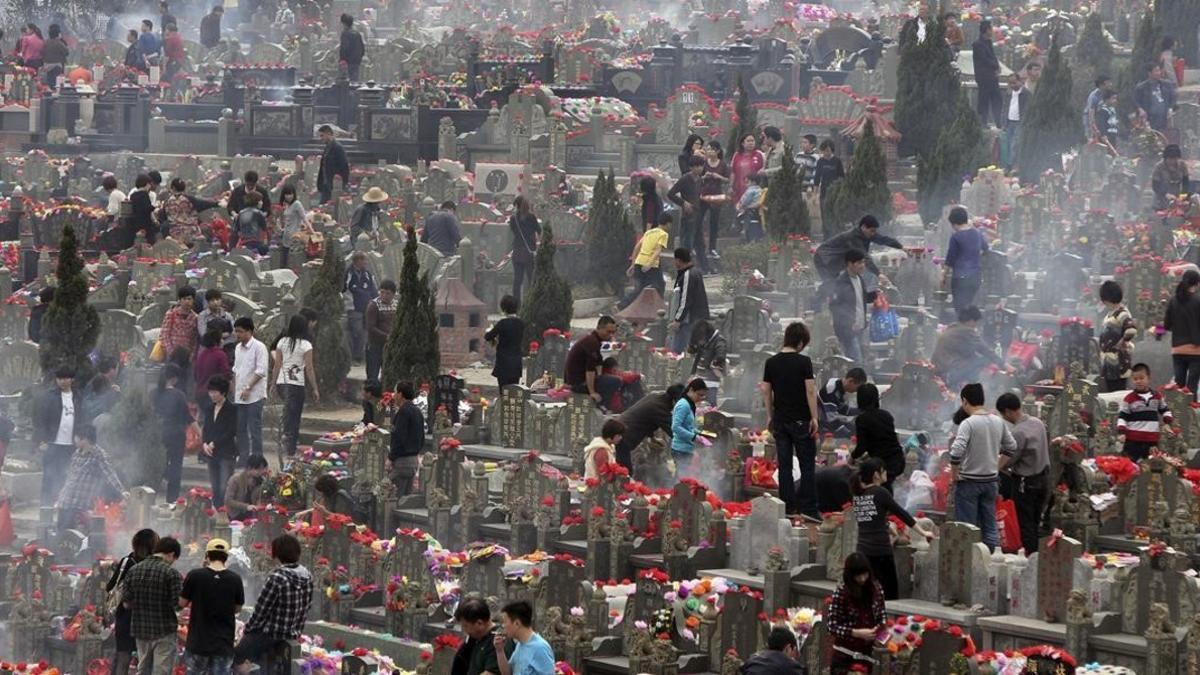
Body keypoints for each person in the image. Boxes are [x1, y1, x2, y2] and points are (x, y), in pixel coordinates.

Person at [762, 322, 820, 519]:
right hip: (801, 420)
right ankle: (808, 508)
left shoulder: (771, 362)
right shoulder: (804, 362)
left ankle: (787, 507)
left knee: (784, 465)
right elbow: (810, 390)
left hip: (780, 420)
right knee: (807, 465)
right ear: (801, 342)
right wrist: (814, 417)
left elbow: (766, 390)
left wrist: (770, 415)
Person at [949, 383, 1015, 551]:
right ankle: (991, 559)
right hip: (991, 481)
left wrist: (954, 474)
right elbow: (1011, 446)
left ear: (964, 401)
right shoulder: (997, 421)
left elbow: (956, 451)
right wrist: (997, 466)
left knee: (967, 528)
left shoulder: (969, 423)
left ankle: (970, 560)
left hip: (969, 482)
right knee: (990, 525)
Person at [852, 458, 932, 599]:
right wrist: (924, 532)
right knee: (888, 594)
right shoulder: (880, 492)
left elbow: (871, 518)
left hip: (863, 551)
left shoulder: (858, 495)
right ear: (876, 474)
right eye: (883, 470)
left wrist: (887, 526)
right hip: (880, 551)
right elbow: (902, 514)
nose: (886, 473)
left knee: (867, 594)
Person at [233, 535, 313, 668]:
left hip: (270, 633)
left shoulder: (277, 577)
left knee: (235, 657)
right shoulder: (307, 576)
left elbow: (261, 610)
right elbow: (307, 606)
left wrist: (248, 629)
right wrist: (297, 631)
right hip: (292, 632)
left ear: (277, 554)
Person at [180, 538, 244, 675]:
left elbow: (182, 603)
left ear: (207, 555)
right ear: (226, 557)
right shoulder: (235, 579)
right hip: (223, 643)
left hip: (198, 642)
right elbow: (237, 609)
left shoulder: (195, 575)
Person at [995, 393, 1049, 554]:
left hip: (1026, 482)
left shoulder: (1018, 432)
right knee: (1035, 520)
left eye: (1004, 415)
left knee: (1025, 523)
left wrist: (996, 467)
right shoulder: (1038, 423)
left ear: (1008, 411)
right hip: (1043, 479)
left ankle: (1029, 557)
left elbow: (1009, 458)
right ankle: (1038, 555)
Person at [123, 537, 182, 675]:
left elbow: (126, 603)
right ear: (171, 554)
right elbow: (177, 605)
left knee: (142, 668)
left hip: (141, 630)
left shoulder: (134, 570)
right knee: (161, 670)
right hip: (164, 630)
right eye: (174, 559)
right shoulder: (171, 573)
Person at [108, 529, 159, 675]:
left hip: (125, 617)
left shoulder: (127, 561)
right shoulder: (155, 566)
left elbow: (110, 586)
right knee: (146, 660)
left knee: (123, 657)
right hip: (147, 618)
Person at [56, 424, 124, 533]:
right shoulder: (76, 454)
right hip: (66, 501)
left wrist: (122, 491)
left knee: (75, 536)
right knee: (61, 532)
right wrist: (60, 496)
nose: (74, 439)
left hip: (81, 504)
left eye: (76, 437)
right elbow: (70, 477)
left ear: (85, 439)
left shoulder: (98, 455)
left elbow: (110, 474)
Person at [827, 552, 886, 674]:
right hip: (845, 656)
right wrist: (856, 633)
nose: (863, 579)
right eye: (858, 576)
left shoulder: (876, 589)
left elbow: (882, 618)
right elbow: (831, 626)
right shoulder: (841, 593)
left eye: (865, 574)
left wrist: (879, 635)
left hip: (869, 655)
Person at [33, 366, 80, 506]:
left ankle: (62, 505)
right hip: (52, 443)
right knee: (49, 476)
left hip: (70, 444)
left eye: (65, 378)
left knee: (66, 476)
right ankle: (45, 507)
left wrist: (79, 437)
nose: (62, 381)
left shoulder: (77, 396)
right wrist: (42, 439)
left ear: (72, 379)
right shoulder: (50, 396)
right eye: (59, 378)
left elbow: (82, 418)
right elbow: (41, 419)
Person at [273, 315, 317, 456]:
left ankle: (286, 437)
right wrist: (315, 388)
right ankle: (290, 445)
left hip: (282, 382)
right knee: (294, 415)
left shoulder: (281, 342)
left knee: (288, 411)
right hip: (296, 383)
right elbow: (309, 368)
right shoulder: (305, 345)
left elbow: (277, 365)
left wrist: (273, 384)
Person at [812, 215, 901, 284]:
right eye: (872, 231)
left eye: (875, 231)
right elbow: (864, 257)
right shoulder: (853, 237)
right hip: (824, 258)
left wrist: (901, 247)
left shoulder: (867, 234)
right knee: (830, 286)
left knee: (838, 286)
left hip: (834, 260)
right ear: (863, 227)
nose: (873, 234)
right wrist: (878, 274)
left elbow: (883, 239)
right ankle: (815, 306)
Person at [931, 306, 1004, 389]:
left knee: (974, 358)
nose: (976, 326)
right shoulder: (966, 331)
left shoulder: (953, 328)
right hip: (949, 373)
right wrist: (1004, 364)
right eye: (976, 323)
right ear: (971, 321)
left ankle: (965, 383)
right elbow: (985, 350)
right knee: (984, 360)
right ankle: (970, 386)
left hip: (939, 370)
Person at [614, 384, 684, 471]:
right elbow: (674, 430)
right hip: (624, 434)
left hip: (620, 429)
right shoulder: (659, 407)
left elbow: (646, 418)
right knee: (624, 470)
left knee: (622, 467)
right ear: (674, 400)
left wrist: (652, 438)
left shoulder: (655, 397)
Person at [850, 384, 905, 492]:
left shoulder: (862, 419)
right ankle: (888, 506)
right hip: (898, 460)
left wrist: (851, 458)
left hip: (882, 465)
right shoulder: (886, 415)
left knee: (871, 487)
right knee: (886, 487)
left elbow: (862, 447)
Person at [1117, 363, 1174, 462]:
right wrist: (1121, 432)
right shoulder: (1129, 398)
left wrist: (1167, 423)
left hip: (1151, 440)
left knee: (1150, 466)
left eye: (1141, 378)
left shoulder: (1157, 396)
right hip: (1133, 440)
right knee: (1130, 465)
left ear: (1149, 378)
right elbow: (1122, 416)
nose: (1138, 381)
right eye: (1135, 379)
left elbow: (1165, 410)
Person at [828, 249, 875, 364]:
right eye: (859, 263)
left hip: (860, 327)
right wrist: (849, 323)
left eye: (863, 262)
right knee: (855, 361)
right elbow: (835, 307)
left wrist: (873, 296)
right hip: (848, 330)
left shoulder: (859, 279)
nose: (862, 266)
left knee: (860, 361)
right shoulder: (841, 282)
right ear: (849, 264)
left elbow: (860, 299)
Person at [232, 317, 268, 466]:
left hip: (254, 396)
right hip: (240, 396)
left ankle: (258, 460)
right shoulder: (237, 348)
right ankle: (244, 457)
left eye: (240, 331)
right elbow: (236, 370)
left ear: (249, 331)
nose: (237, 334)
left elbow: (261, 371)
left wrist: (248, 388)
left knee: (254, 430)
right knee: (240, 429)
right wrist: (235, 388)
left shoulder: (259, 347)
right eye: (236, 331)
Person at [564, 316, 621, 407]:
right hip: (578, 383)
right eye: (608, 332)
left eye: (613, 332)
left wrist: (601, 377)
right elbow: (590, 370)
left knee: (608, 377)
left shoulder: (595, 340)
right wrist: (592, 392)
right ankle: (601, 406)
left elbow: (598, 364)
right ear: (599, 328)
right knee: (615, 381)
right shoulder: (592, 342)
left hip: (580, 380)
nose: (611, 335)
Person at [156, 364, 192, 504]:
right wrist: (200, 434)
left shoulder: (153, 393)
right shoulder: (179, 395)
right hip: (176, 436)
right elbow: (188, 417)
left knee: (160, 466)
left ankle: (151, 498)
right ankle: (172, 501)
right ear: (174, 379)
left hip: (159, 435)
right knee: (176, 468)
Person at [452, 598, 514, 675]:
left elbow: (491, 673)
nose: (464, 630)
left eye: (465, 626)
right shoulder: (475, 636)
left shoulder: (499, 639)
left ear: (479, 623)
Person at [943, 206, 988, 314]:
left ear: (954, 223)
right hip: (975, 277)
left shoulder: (956, 237)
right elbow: (985, 248)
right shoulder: (977, 233)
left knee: (960, 309)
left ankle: (962, 328)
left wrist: (944, 275)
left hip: (960, 278)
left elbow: (950, 258)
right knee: (970, 306)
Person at [202, 376, 237, 509]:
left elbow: (231, 431)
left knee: (224, 486)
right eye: (210, 392)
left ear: (223, 392)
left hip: (226, 453)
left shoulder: (232, 409)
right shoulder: (209, 408)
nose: (211, 395)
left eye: (214, 392)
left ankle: (225, 513)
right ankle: (216, 512)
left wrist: (214, 443)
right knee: (215, 485)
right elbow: (206, 428)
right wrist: (205, 443)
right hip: (211, 453)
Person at [1164, 269, 1200, 394]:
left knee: (1178, 387)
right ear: (1197, 283)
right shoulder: (1198, 301)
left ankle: (1177, 413)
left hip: (1177, 350)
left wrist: (1156, 331)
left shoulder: (1173, 301)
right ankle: (1191, 413)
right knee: (1191, 388)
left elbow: (1166, 325)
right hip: (1196, 351)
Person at [495, 600, 554, 675]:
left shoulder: (540, 648)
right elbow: (507, 673)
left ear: (517, 623)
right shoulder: (520, 644)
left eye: (505, 622)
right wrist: (499, 651)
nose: (503, 626)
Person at [670, 248, 710, 355]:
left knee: (678, 352)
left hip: (689, 320)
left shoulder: (688, 275)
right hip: (696, 319)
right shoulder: (695, 272)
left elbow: (685, 300)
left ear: (678, 260)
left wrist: (678, 319)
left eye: (674, 260)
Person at [1098, 281, 1136, 392]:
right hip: (1108, 361)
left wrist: (1122, 342)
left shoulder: (1122, 313)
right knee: (1110, 389)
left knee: (1117, 389)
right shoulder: (1111, 313)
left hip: (1118, 360)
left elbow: (1131, 329)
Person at [668, 156, 707, 265]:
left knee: (699, 241)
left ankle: (703, 266)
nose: (700, 168)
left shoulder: (700, 180)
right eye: (697, 166)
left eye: (701, 166)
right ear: (691, 167)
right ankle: (685, 264)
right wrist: (683, 203)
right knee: (687, 240)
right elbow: (671, 194)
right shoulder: (685, 179)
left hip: (698, 213)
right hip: (688, 215)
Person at [387, 381, 423, 494]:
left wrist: (391, 458)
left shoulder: (403, 412)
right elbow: (421, 438)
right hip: (413, 462)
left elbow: (399, 438)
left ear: (400, 394)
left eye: (395, 392)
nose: (393, 396)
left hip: (401, 462)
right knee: (405, 499)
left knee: (385, 493)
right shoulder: (417, 411)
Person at [344, 251, 378, 365]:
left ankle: (360, 355)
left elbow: (373, 288)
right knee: (356, 331)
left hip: (367, 307)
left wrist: (374, 299)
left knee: (364, 332)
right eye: (364, 260)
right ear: (358, 261)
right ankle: (354, 357)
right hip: (354, 306)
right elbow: (349, 287)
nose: (366, 262)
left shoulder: (367, 274)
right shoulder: (349, 273)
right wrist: (363, 293)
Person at [670, 379, 710, 476]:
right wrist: (694, 437)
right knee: (682, 479)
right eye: (699, 395)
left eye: (703, 396)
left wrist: (700, 433)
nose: (701, 398)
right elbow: (675, 427)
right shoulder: (683, 405)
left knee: (683, 478)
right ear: (691, 390)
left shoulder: (689, 404)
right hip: (680, 449)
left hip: (687, 448)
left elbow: (688, 427)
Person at [161, 178, 218, 245]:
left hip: (175, 235)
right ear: (184, 188)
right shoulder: (189, 199)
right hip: (192, 233)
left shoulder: (167, 201)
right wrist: (216, 203)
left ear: (173, 188)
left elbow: (163, 216)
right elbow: (204, 204)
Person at [699, 140, 731, 259]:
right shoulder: (703, 163)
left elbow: (728, 180)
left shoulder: (722, 164)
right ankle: (699, 246)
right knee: (699, 220)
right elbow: (698, 177)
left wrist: (719, 177)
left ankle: (712, 248)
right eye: (708, 149)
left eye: (712, 149)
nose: (709, 152)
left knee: (714, 222)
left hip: (716, 195)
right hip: (703, 195)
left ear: (718, 151)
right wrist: (704, 176)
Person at [485, 295, 524, 388]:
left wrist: (492, 333)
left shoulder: (502, 323)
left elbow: (488, 336)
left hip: (503, 363)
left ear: (503, 308)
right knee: (514, 392)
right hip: (516, 362)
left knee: (504, 392)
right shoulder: (521, 323)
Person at [509, 195, 541, 306]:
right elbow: (539, 230)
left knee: (517, 280)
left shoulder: (513, 219)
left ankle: (516, 305)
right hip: (529, 252)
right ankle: (532, 304)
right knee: (531, 279)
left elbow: (513, 231)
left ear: (516, 206)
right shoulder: (531, 217)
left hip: (517, 251)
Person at [364, 279, 397, 384]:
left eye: (388, 293)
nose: (384, 295)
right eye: (382, 292)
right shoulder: (373, 305)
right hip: (375, 345)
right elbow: (371, 327)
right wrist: (386, 336)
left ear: (393, 294)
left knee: (389, 374)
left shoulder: (396, 305)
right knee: (372, 375)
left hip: (391, 346)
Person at [688, 320, 727, 405]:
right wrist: (692, 373)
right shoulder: (705, 342)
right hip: (699, 377)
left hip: (711, 379)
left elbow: (721, 354)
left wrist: (715, 362)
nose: (700, 342)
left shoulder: (719, 340)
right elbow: (697, 358)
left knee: (709, 403)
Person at [972, 21, 1003, 127]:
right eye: (991, 29)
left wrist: (998, 66)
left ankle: (998, 121)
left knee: (997, 98)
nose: (992, 31)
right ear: (986, 30)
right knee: (984, 100)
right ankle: (983, 122)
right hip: (984, 76)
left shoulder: (989, 42)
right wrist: (995, 66)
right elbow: (984, 59)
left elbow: (993, 56)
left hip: (992, 76)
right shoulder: (977, 44)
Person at [819, 367, 866, 433]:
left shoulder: (839, 386)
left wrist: (863, 410)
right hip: (822, 425)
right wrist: (850, 434)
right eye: (857, 388)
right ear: (851, 381)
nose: (856, 391)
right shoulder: (831, 389)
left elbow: (844, 410)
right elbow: (832, 422)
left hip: (831, 421)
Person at [224, 455, 270, 522]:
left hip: (252, 515)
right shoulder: (236, 479)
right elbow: (228, 500)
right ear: (249, 468)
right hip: (235, 514)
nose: (261, 471)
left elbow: (259, 499)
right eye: (258, 469)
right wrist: (246, 507)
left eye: (263, 468)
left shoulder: (260, 481)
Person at [1135, 63, 1177, 133]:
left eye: (1159, 70)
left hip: (1165, 117)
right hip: (1150, 117)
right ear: (1149, 73)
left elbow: (1173, 97)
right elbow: (1136, 101)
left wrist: (1171, 108)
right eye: (1156, 71)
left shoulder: (1167, 85)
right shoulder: (1141, 87)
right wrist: (1140, 109)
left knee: (1166, 136)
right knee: (1152, 137)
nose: (1159, 73)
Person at [194, 330, 231, 406]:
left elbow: (195, 374)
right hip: (214, 395)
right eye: (221, 339)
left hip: (200, 393)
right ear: (217, 341)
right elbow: (226, 374)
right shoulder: (220, 354)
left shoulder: (201, 355)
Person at [160, 286, 198, 358]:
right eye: (184, 299)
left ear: (193, 300)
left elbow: (195, 339)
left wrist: (192, 354)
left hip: (187, 355)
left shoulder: (195, 317)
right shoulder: (171, 314)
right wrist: (171, 351)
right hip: (172, 354)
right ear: (179, 300)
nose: (187, 301)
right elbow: (164, 334)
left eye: (189, 299)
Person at [1002, 73, 1028, 170]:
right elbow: (1004, 108)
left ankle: (1011, 166)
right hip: (1009, 122)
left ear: (1020, 81)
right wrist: (1003, 123)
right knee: (1007, 145)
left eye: (1014, 82)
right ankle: (1008, 165)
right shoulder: (1008, 94)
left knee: (1014, 144)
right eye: (1010, 83)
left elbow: (1027, 109)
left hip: (1019, 123)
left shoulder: (1026, 94)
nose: (1012, 85)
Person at [317, 125, 350, 204]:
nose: (321, 138)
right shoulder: (327, 147)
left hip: (334, 185)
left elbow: (344, 166)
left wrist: (342, 184)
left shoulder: (338, 148)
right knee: (322, 207)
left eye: (322, 135)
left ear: (328, 134)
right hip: (326, 185)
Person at [730, 133, 765, 206]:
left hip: (754, 190)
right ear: (742, 143)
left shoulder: (759, 154)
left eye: (752, 141)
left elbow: (763, 170)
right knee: (739, 209)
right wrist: (731, 186)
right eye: (748, 141)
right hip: (739, 188)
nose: (751, 143)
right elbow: (733, 172)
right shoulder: (737, 155)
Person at [1152, 144, 1190, 210]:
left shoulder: (1182, 165)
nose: (1172, 161)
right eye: (1170, 159)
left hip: (1176, 197)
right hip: (1161, 198)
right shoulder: (1159, 167)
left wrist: (1183, 196)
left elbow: (1185, 182)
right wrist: (1165, 194)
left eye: (1175, 159)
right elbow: (1155, 185)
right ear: (1165, 158)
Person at [813, 139, 845, 205]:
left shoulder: (837, 161)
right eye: (823, 151)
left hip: (835, 191)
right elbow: (817, 177)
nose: (825, 153)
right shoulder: (820, 161)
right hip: (824, 190)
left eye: (827, 151)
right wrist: (815, 194)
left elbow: (842, 177)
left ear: (832, 150)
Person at [338, 13, 366, 80]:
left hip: (347, 63)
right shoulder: (357, 34)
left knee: (345, 82)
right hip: (356, 62)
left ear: (344, 23)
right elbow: (362, 49)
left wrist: (342, 59)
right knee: (354, 81)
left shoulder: (345, 34)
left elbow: (344, 48)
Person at [1095, 89, 1121, 155]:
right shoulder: (1103, 111)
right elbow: (1101, 124)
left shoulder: (1113, 110)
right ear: (1107, 99)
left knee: (1114, 153)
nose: (1115, 100)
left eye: (1116, 98)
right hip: (1107, 136)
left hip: (1114, 135)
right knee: (1108, 154)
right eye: (1113, 98)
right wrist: (1103, 135)